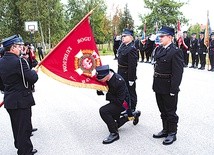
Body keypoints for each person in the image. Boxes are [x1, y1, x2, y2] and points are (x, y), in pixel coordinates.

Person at [0, 34, 38, 154]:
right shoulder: (19, 62)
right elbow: (32, 78)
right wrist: (34, 72)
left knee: (16, 127)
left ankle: (20, 146)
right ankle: (25, 151)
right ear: (12, 48)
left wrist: (8, 90)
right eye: (18, 46)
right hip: (21, 100)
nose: (20, 49)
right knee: (24, 128)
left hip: (10, 100)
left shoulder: (1, 61)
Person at [152, 26, 184, 145]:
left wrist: (174, 89)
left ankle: (172, 133)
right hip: (158, 85)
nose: (160, 38)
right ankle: (165, 130)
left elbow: (178, 73)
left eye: (162, 36)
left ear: (170, 37)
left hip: (169, 86)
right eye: (160, 36)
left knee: (170, 111)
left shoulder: (175, 51)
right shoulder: (159, 49)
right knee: (162, 110)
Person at [117, 28, 138, 111]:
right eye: (122, 36)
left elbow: (132, 66)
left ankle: (132, 108)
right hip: (121, 72)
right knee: (123, 91)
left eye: (125, 36)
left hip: (127, 73)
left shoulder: (132, 48)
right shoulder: (123, 46)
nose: (123, 37)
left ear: (131, 37)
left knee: (130, 92)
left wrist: (131, 79)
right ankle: (125, 107)